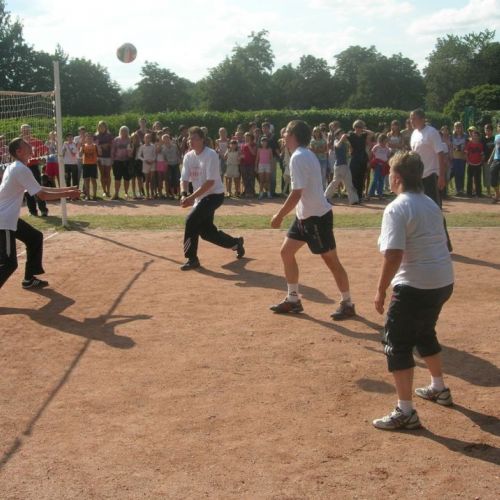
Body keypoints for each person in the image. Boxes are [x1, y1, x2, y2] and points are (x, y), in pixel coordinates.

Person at [372, 151, 454, 430]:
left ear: (396, 178)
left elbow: (394, 254)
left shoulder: (396, 207)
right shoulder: (430, 203)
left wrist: (381, 290)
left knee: (396, 343)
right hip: (442, 281)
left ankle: (406, 411)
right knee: (423, 331)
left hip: (415, 284)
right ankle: (439, 388)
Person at [269, 120, 355, 320]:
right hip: (305, 215)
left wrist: (279, 216)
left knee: (332, 261)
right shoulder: (304, 154)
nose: (283, 136)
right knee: (286, 252)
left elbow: (297, 192)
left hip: (316, 218)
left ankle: (347, 303)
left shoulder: (299, 157)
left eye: (286, 133)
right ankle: (293, 299)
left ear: (292, 135)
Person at [0, 138, 80, 290]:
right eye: (26, 145)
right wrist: (68, 194)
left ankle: (29, 279)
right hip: (3, 221)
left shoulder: (16, 167)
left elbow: (39, 189)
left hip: (9, 218)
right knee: (9, 264)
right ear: (19, 152)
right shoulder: (20, 169)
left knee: (34, 237)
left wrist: (68, 190)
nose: (31, 147)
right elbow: (42, 196)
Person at [179, 126, 245, 271]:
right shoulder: (188, 156)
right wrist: (184, 194)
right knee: (207, 233)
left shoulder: (211, 155)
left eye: (195, 138)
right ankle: (236, 243)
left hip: (214, 195)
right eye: (189, 138)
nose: (191, 141)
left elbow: (210, 183)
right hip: (200, 198)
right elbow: (183, 178)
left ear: (202, 140)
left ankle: (192, 259)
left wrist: (191, 198)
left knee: (191, 220)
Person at [409, 109, 452, 252]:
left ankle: (445, 244)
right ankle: (425, 242)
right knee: (418, 210)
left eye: (413, 118)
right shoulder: (414, 134)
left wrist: (441, 176)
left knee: (435, 210)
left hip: (431, 176)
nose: (411, 121)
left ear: (422, 119)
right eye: (410, 118)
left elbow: (440, 154)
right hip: (418, 178)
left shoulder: (432, 132)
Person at [20, 124, 49, 217]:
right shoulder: (19, 142)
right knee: (27, 190)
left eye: (27, 130)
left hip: (34, 167)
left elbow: (45, 151)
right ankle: (32, 211)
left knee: (37, 188)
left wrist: (42, 158)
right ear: (21, 131)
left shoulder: (36, 141)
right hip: (23, 168)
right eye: (24, 130)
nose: (25, 131)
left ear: (30, 131)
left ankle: (43, 210)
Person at [324, 129, 359, 205]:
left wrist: (349, 144)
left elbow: (350, 151)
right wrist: (342, 138)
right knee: (335, 182)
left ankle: (353, 200)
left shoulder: (345, 143)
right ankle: (326, 197)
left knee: (349, 182)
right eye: (341, 133)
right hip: (339, 166)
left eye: (343, 133)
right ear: (337, 135)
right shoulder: (336, 141)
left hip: (345, 165)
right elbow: (337, 146)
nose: (343, 134)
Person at [347, 120, 374, 201]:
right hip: (354, 158)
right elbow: (344, 136)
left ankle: (360, 196)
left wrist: (364, 130)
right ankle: (353, 197)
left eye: (360, 127)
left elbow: (372, 133)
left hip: (363, 158)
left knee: (361, 178)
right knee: (354, 179)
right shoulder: (351, 135)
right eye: (357, 127)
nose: (358, 128)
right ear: (354, 127)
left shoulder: (364, 135)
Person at [111, 126, 132, 200]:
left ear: (127, 132)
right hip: (117, 161)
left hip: (127, 161)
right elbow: (113, 150)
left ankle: (126, 193)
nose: (124, 132)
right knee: (117, 178)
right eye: (122, 131)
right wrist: (112, 160)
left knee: (127, 178)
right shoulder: (116, 139)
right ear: (120, 131)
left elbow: (132, 149)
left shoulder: (130, 140)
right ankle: (116, 193)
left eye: (125, 131)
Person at [94, 121, 114, 198]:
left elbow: (112, 144)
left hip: (108, 157)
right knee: (102, 174)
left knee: (108, 174)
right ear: (98, 127)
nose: (101, 128)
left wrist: (106, 145)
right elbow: (95, 145)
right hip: (100, 157)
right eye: (100, 126)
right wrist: (102, 145)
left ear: (106, 127)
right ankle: (104, 191)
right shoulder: (95, 135)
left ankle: (108, 191)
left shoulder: (109, 135)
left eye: (103, 126)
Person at [368, 134, 390, 199]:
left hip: (384, 165)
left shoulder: (387, 148)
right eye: (384, 141)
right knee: (375, 179)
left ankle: (380, 194)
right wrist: (369, 162)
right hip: (377, 165)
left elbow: (388, 156)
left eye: (386, 141)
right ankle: (370, 194)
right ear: (381, 140)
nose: (385, 142)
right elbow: (371, 154)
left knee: (381, 180)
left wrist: (387, 162)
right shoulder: (376, 147)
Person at [464, 129, 484, 198]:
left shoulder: (480, 145)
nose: (475, 137)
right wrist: (468, 161)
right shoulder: (469, 144)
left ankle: (478, 193)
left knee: (478, 179)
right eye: (473, 136)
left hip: (478, 164)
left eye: (476, 136)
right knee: (469, 179)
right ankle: (469, 193)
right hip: (470, 164)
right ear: (471, 136)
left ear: (478, 137)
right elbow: (466, 154)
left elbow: (482, 154)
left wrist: (481, 161)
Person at [80, 132, 99, 201]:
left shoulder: (95, 145)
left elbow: (100, 153)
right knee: (86, 181)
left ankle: (94, 196)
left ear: (92, 138)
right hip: (85, 164)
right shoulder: (84, 146)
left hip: (93, 164)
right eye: (87, 137)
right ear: (85, 138)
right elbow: (79, 154)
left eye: (90, 137)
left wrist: (98, 146)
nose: (89, 138)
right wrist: (81, 148)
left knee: (93, 180)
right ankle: (88, 196)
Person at [450, 122, 467, 196]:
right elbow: (450, 147)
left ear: (461, 128)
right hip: (455, 157)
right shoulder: (452, 136)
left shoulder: (465, 136)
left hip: (462, 157)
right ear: (454, 128)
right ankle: (457, 189)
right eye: (456, 127)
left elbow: (467, 146)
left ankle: (461, 190)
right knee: (456, 173)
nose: (458, 129)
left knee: (462, 173)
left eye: (459, 127)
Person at [138, 133, 156, 200]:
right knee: (147, 180)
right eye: (146, 138)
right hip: (145, 164)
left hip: (152, 164)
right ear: (144, 139)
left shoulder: (153, 146)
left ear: (150, 139)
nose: (147, 139)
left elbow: (155, 155)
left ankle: (152, 194)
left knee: (152, 180)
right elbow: (139, 156)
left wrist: (152, 160)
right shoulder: (142, 147)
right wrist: (144, 160)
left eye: (149, 137)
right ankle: (147, 195)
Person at [481, 124, 495, 197]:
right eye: (486, 129)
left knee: (495, 175)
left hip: (494, 160)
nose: (487, 131)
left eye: (489, 130)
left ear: (492, 131)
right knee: (486, 176)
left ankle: (496, 192)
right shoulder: (483, 139)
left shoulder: (495, 138)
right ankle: (488, 192)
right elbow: (481, 150)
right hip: (486, 160)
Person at [488, 122, 500, 204]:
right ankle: (498, 194)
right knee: (492, 176)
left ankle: (496, 197)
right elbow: (495, 148)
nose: (499, 127)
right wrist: (490, 158)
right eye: (498, 126)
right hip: (496, 159)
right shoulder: (497, 136)